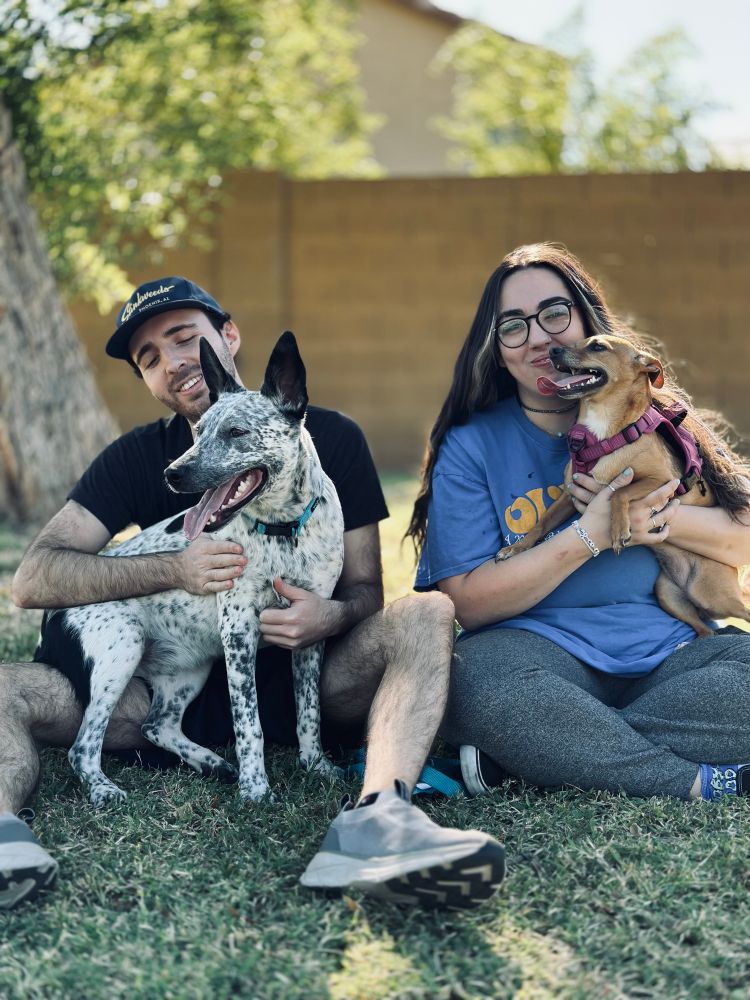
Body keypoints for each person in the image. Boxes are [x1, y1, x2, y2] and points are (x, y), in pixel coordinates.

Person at [1, 276, 506, 911]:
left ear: (227, 338)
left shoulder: (331, 438)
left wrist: (332, 616)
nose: (173, 362)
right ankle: (1, 839)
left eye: (184, 338)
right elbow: (33, 580)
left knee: (428, 611)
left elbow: (365, 589)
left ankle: (380, 816)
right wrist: (175, 569)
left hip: (316, 689)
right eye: (149, 358)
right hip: (142, 694)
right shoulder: (135, 458)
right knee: (2, 687)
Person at [408, 243, 750, 802]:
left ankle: (528, 760)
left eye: (554, 313)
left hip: (672, 648)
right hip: (534, 657)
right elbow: (468, 603)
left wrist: (650, 517)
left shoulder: (658, 424)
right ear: (495, 352)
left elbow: (743, 540)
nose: (539, 338)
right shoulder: (471, 446)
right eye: (513, 327)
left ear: (588, 322)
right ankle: (696, 779)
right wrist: (588, 533)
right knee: (470, 683)